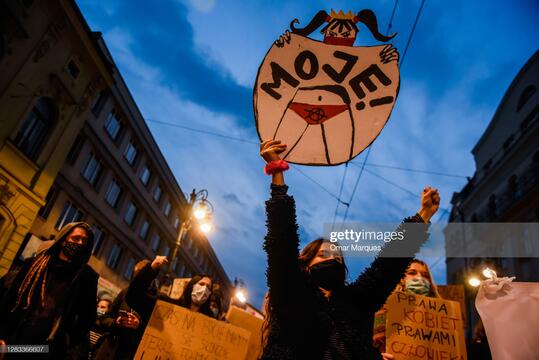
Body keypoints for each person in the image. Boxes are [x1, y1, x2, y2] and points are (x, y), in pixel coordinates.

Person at [259, 140, 440, 360]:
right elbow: (282, 242)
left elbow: (387, 266)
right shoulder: (291, 292)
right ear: (305, 264)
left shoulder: (356, 301)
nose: (333, 258)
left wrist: (423, 216)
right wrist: (277, 172)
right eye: (324, 254)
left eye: (338, 256)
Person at [0, 222, 97, 359]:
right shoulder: (34, 265)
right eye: (76, 238)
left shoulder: (86, 277)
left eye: (84, 241)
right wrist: (2, 336)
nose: (80, 243)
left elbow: (88, 317)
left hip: (46, 348)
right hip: (16, 339)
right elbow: (9, 300)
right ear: (63, 240)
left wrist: (67, 341)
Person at [373, 259, 441, 354]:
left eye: (425, 275)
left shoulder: (440, 316)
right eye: (412, 273)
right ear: (401, 278)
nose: (419, 278)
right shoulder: (384, 310)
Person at [125, 256, 215, 321]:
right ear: (192, 286)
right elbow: (133, 297)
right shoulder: (168, 306)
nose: (204, 289)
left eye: (208, 287)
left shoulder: (210, 321)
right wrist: (152, 269)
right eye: (201, 284)